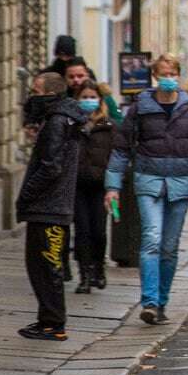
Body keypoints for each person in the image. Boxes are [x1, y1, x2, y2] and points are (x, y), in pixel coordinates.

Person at [105, 53, 188, 326]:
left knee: (169, 246)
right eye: (163, 74)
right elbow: (121, 148)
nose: (168, 79)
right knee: (152, 239)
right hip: (149, 180)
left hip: (181, 183)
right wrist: (113, 186)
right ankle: (150, 302)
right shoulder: (140, 107)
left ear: (178, 76)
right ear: (155, 77)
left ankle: (162, 301)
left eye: (172, 74)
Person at [15, 71, 86, 340]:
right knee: (44, 266)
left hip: (50, 208)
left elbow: (50, 167)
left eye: (36, 90)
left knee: (46, 266)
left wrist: (27, 194)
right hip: (53, 206)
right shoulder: (63, 118)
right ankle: (48, 320)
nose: (32, 96)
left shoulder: (57, 121)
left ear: (49, 95)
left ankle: (53, 324)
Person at [73, 81, 114, 294]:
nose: (89, 101)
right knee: (82, 231)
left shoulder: (108, 126)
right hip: (77, 185)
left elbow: (116, 156)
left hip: (101, 186)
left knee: (99, 231)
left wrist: (113, 185)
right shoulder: (72, 125)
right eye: (84, 97)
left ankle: (99, 267)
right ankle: (85, 275)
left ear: (99, 100)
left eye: (92, 97)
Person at [65, 58, 123, 123]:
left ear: (87, 75)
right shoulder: (63, 99)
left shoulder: (104, 96)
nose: (76, 80)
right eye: (71, 77)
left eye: (80, 76)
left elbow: (118, 121)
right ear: (65, 78)